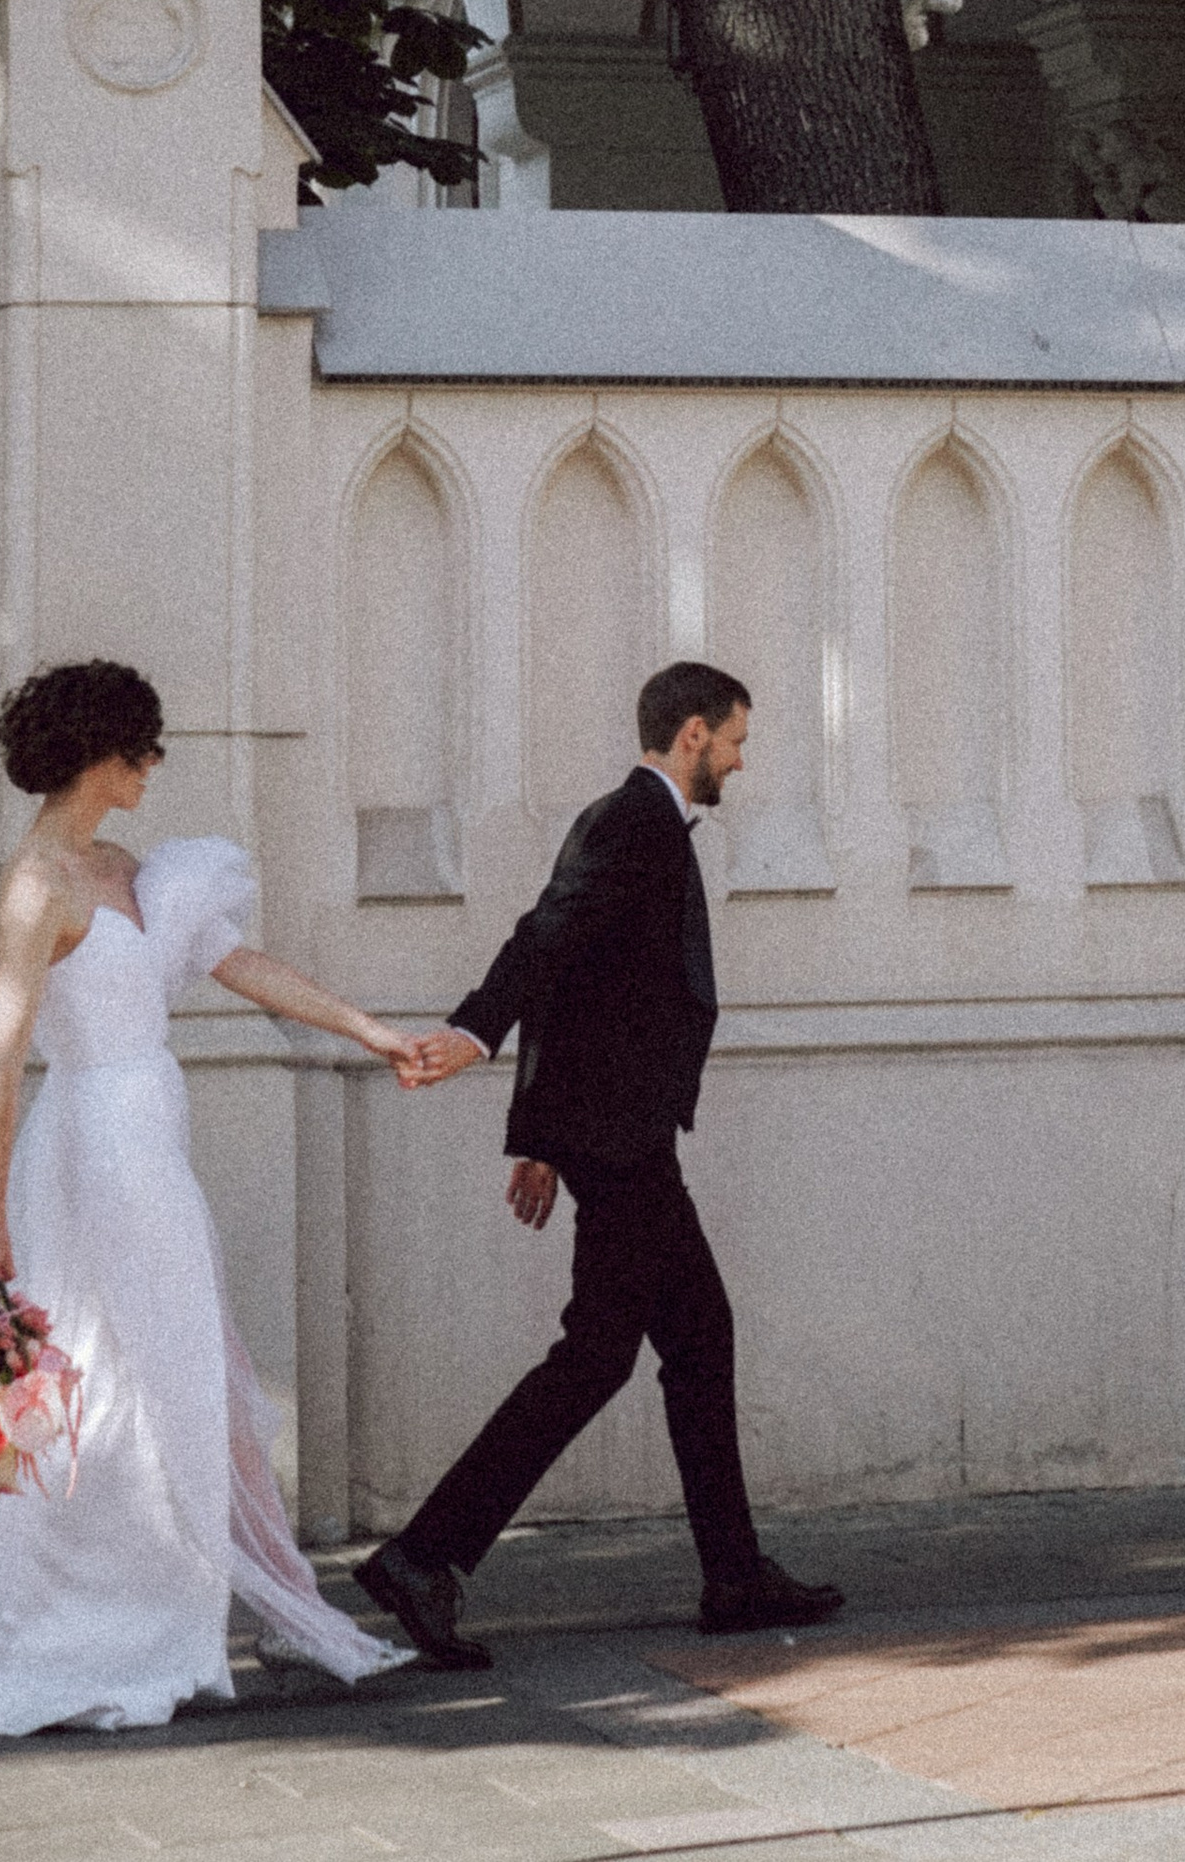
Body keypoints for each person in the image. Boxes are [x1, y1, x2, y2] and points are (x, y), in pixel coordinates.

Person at [0, 660, 418, 1739]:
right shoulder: (38, 882)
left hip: (149, 1139)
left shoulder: (129, 865)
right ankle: (104, 1619)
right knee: (117, 1371)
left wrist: (374, 1032)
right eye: (144, 749)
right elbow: (1, 1057)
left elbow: (242, 963)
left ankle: (227, 1604)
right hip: (90, 1146)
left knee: (183, 1367)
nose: (154, 768)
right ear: (103, 755)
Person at [354, 660, 843, 1669]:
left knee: (696, 1335)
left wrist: (536, 1133)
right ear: (694, 733)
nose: (743, 761)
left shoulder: (640, 825)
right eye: (738, 740)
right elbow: (546, 942)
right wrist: (474, 1032)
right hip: (620, 1139)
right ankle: (424, 1556)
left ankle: (734, 1572)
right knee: (596, 1354)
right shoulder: (630, 824)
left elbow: (576, 985)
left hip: (619, 1131)